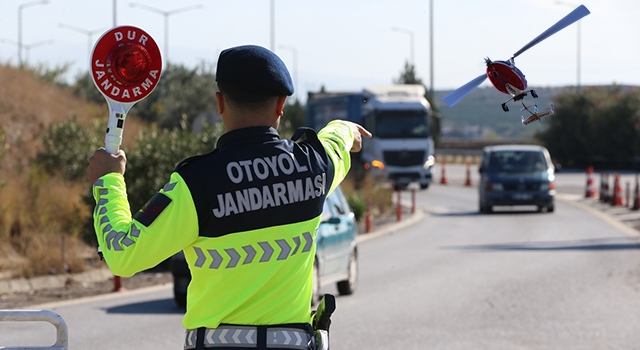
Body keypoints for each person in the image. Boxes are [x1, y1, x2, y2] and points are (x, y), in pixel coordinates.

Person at [87, 44, 371, 350]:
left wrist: (108, 181)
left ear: (220, 103)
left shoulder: (196, 183)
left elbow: (122, 254)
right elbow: (336, 140)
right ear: (281, 105)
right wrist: (346, 128)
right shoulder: (315, 165)